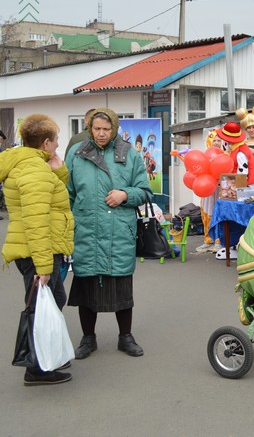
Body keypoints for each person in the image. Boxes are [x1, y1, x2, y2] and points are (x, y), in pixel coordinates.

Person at [66, 108, 152, 359]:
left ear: (114, 128)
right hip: (87, 230)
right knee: (86, 287)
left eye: (106, 129)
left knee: (122, 288)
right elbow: (67, 195)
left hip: (119, 231)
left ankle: (125, 337)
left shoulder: (129, 152)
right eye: (97, 129)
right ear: (90, 128)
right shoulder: (77, 153)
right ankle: (88, 338)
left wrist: (125, 195)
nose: (101, 134)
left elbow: (145, 191)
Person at [1, 114, 75, 385]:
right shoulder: (33, 171)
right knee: (42, 307)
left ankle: (45, 357)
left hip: (38, 250)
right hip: (37, 253)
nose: (58, 145)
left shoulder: (33, 165)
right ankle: (37, 368)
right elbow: (37, 221)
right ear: (45, 142)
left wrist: (59, 169)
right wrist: (43, 267)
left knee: (52, 301)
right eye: (55, 141)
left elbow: (53, 196)